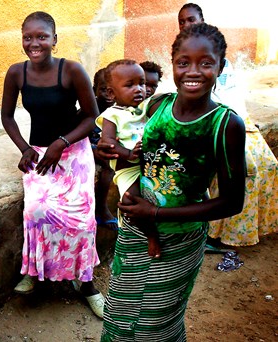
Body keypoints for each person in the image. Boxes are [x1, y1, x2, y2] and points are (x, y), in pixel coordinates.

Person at [99, 23, 246, 340]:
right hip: (135, 230)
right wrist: (111, 151)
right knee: (120, 314)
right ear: (173, 64)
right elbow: (128, 144)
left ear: (220, 66)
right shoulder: (156, 106)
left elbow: (233, 202)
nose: (193, 71)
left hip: (178, 238)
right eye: (184, 62)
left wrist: (155, 214)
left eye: (206, 63)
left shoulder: (224, 124)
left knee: (156, 324)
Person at [0, 11, 104, 318]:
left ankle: (85, 283)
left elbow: (90, 116)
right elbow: (6, 116)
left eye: (42, 37)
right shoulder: (16, 73)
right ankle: (34, 271)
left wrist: (62, 142)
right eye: (28, 37)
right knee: (35, 211)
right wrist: (24, 149)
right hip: (40, 153)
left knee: (82, 219)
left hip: (73, 151)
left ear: (54, 40)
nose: (35, 43)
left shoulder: (71, 70)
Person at [178, 3, 278, 248]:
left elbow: (230, 96)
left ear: (202, 20)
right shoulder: (180, 56)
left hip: (230, 120)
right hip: (205, 125)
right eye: (182, 22)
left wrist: (237, 121)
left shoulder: (221, 60)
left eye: (191, 20)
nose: (186, 25)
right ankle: (218, 234)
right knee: (245, 167)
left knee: (268, 163)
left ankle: (243, 229)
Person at [95, 59, 160, 258]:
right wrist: (129, 154)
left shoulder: (147, 107)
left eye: (142, 83)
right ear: (112, 93)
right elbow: (108, 141)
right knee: (130, 200)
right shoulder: (111, 115)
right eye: (129, 85)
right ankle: (151, 237)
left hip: (150, 164)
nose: (139, 89)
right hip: (128, 168)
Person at [89, 68, 118, 230]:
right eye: (103, 90)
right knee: (109, 161)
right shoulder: (91, 108)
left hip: (105, 143)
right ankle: (101, 208)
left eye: (111, 90)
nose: (108, 95)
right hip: (87, 145)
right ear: (94, 90)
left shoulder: (118, 108)